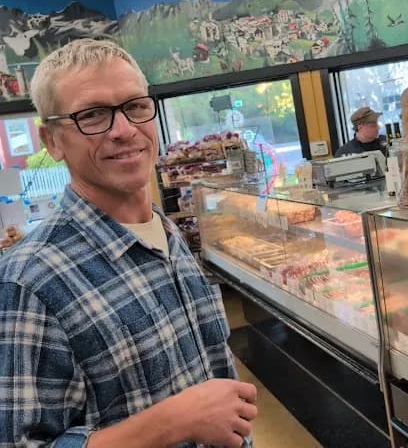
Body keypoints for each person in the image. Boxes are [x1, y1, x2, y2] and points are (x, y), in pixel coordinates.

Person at [0, 39, 256, 447]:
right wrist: (173, 421)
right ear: (51, 141)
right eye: (93, 115)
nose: (124, 130)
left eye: (135, 106)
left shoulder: (166, 233)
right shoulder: (29, 282)